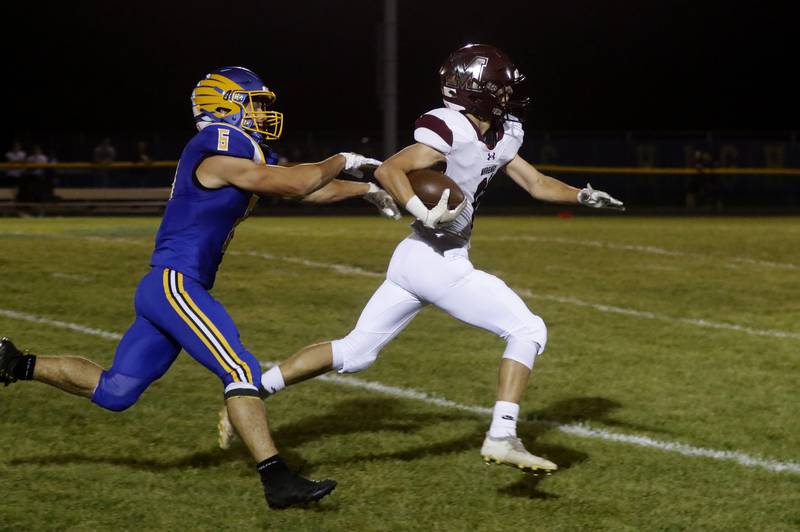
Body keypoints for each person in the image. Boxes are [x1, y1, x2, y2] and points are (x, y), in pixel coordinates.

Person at [0, 66, 399, 509]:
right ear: (223, 104)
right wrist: (345, 159)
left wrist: (363, 190)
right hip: (176, 284)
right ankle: (277, 481)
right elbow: (297, 182)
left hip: (164, 286)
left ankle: (15, 362)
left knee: (116, 392)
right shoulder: (216, 147)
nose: (263, 112)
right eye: (255, 102)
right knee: (241, 370)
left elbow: (303, 191)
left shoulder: (235, 157)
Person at [218, 45, 624, 472]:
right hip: (438, 261)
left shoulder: (502, 134)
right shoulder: (451, 128)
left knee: (355, 351)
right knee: (528, 329)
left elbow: (536, 183)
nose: (508, 95)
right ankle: (503, 434)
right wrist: (418, 207)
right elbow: (388, 170)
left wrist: (580, 195)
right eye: (500, 88)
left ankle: (248, 392)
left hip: (414, 257)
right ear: (476, 92)